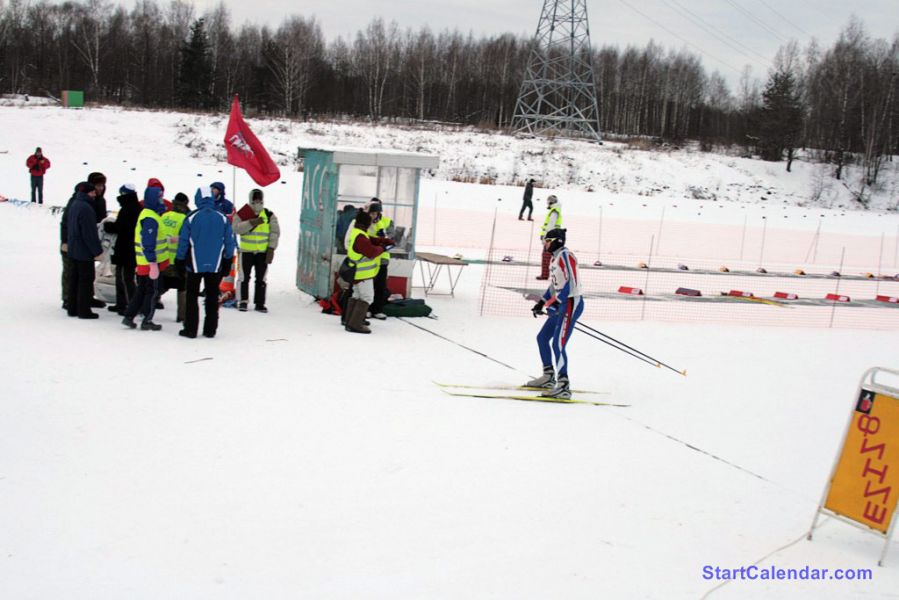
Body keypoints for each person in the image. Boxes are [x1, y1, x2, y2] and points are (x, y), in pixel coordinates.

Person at [527, 228, 583, 399]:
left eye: (547, 241)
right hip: (562, 303)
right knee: (542, 337)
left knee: (558, 344)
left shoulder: (566, 255)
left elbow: (571, 282)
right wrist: (543, 302)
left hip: (571, 302)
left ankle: (564, 385)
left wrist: (557, 302)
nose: (545, 244)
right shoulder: (555, 258)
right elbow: (555, 285)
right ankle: (549, 375)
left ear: (557, 241)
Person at [175, 187, 236, 338]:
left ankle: (190, 329)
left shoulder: (191, 217)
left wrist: (179, 259)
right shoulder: (222, 218)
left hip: (194, 264)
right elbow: (230, 241)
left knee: (192, 296)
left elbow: (183, 241)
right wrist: (228, 259)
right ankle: (210, 329)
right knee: (212, 296)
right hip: (215, 264)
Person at [122, 186, 168, 331]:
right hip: (150, 264)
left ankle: (129, 316)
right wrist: (153, 262)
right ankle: (147, 319)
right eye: (159, 197)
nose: (162, 200)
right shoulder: (150, 218)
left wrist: (170, 239)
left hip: (143, 262)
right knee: (152, 292)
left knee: (141, 290)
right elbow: (148, 241)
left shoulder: (147, 214)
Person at [344, 211, 392, 334]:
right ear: (365, 223)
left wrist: (382, 241)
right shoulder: (361, 237)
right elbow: (371, 251)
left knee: (357, 296)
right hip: (363, 274)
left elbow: (370, 240)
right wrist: (383, 248)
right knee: (367, 297)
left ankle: (349, 321)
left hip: (356, 272)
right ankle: (356, 324)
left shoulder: (357, 233)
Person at [233, 188, 280, 312]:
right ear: (251, 199)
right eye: (255, 199)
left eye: (259, 199)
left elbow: (275, 232)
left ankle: (260, 303)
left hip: (262, 253)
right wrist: (251, 223)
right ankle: (242, 301)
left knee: (261, 279)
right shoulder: (242, 213)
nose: (257, 201)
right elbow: (236, 229)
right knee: (243, 278)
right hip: (246, 252)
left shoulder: (269, 214)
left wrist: (271, 248)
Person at [65, 182, 103, 319]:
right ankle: (84, 310)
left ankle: (72, 307)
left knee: (74, 280)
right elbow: (89, 233)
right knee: (85, 281)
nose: (95, 195)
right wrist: (97, 251)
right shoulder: (86, 208)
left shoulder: (75, 204)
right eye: (93, 192)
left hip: (74, 248)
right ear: (88, 193)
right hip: (84, 251)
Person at [102, 184, 141, 314]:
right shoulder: (136, 207)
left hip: (126, 248)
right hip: (129, 247)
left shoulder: (128, 209)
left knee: (126, 278)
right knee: (122, 276)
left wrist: (109, 226)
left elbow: (122, 227)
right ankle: (122, 304)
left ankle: (131, 305)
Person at [159, 192, 191, 321]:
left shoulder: (164, 216)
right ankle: (182, 316)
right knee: (183, 288)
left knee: (158, 286)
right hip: (178, 260)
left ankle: (144, 307)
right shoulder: (185, 219)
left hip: (162, 259)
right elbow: (186, 240)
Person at [367, 199, 394, 320]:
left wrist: (385, 239)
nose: (374, 212)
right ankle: (366, 308)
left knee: (380, 285)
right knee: (367, 284)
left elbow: (393, 238)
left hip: (382, 257)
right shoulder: (364, 220)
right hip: (369, 257)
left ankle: (377, 309)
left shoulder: (387, 221)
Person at [537, 194, 562, 280]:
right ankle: (555, 275)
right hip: (553, 238)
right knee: (552, 257)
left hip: (550, 238)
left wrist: (546, 238)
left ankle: (545, 275)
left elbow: (550, 227)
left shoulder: (554, 212)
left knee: (546, 256)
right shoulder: (555, 211)